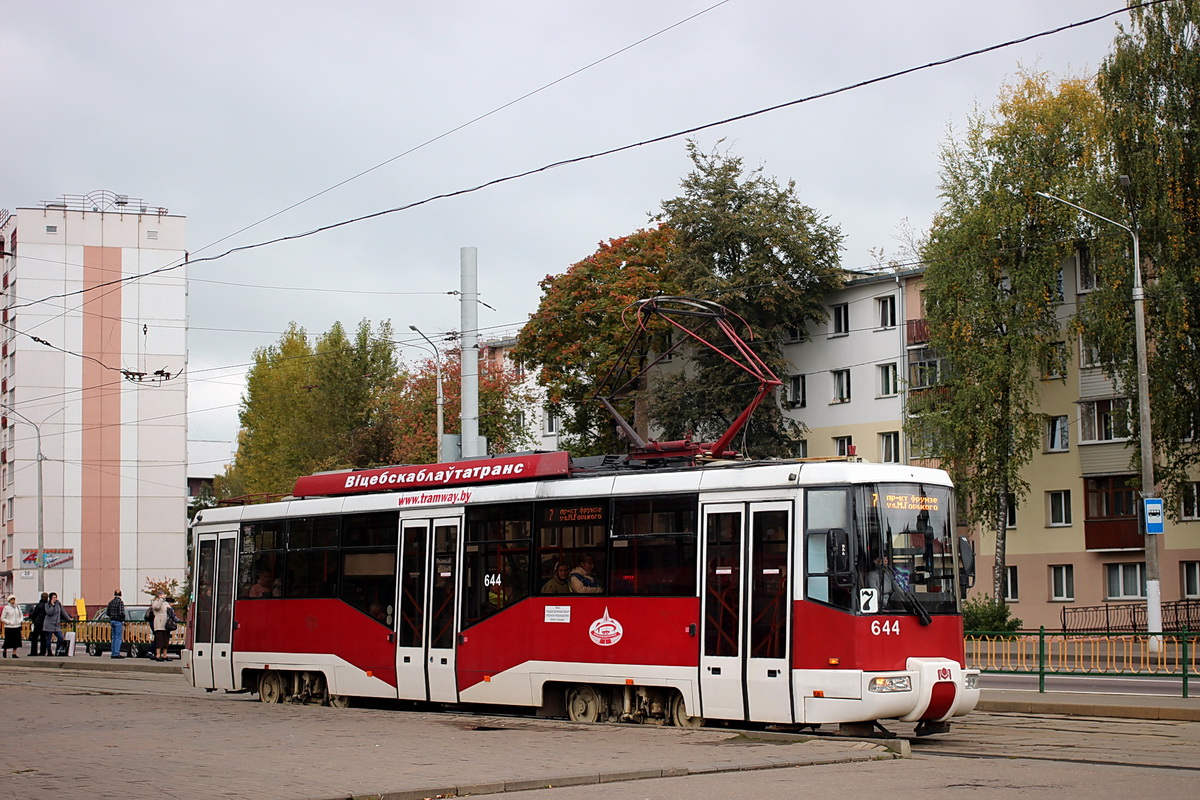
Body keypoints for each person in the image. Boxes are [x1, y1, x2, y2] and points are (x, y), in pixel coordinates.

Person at [148, 592, 177, 662]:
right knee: (159, 640)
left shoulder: (166, 603)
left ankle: (165, 655)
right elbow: (156, 607)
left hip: (166, 624)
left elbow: (170, 611)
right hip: (159, 624)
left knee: (166, 640)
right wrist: (161, 599)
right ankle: (158, 655)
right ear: (159, 596)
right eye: (163, 595)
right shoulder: (156, 602)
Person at [106, 589, 127, 659]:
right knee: (118, 638)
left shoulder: (110, 602)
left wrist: (112, 616)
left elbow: (107, 613)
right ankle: (116, 653)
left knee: (113, 638)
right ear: (121, 594)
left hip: (112, 621)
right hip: (118, 621)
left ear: (114, 594)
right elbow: (121, 613)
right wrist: (123, 619)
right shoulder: (120, 602)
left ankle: (113, 652)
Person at [28, 592, 47, 656]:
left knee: (34, 638)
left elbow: (34, 613)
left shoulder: (39, 605)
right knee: (43, 638)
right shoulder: (47, 605)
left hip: (38, 623)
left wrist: (33, 619)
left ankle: (33, 652)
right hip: (45, 623)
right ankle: (43, 651)